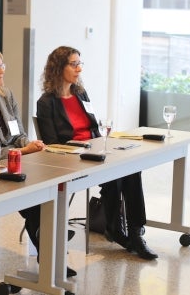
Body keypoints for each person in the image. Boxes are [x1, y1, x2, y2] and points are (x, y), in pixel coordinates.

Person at [0, 47, 82, 276]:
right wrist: (22, 151)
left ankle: (49, 246)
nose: (2, 70)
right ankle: (52, 241)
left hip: (11, 165)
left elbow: (19, 133)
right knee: (31, 192)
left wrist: (31, 144)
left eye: (2, 65)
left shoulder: (6, 96)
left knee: (42, 186)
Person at [35, 45, 158, 260]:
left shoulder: (80, 93)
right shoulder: (46, 103)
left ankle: (135, 231)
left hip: (96, 149)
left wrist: (102, 141)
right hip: (73, 159)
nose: (79, 69)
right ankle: (117, 229)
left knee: (131, 168)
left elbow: (93, 128)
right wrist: (82, 147)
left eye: (79, 64)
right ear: (58, 68)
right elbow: (52, 144)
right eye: (74, 64)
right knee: (118, 173)